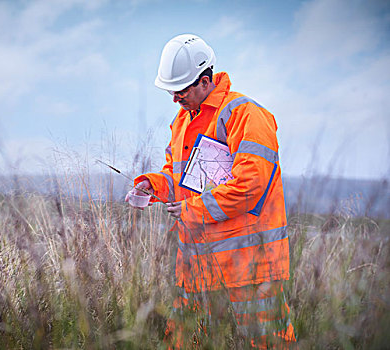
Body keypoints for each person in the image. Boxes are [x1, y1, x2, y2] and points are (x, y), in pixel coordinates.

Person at [126, 34, 296, 348]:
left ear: (205, 81)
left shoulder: (246, 115)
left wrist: (194, 211)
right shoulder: (182, 123)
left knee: (269, 343)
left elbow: (251, 186)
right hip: (197, 265)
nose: (175, 99)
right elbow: (179, 177)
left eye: (180, 90)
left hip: (251, 265)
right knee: (183, 340)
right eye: (171, 92)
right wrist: (154, 185)